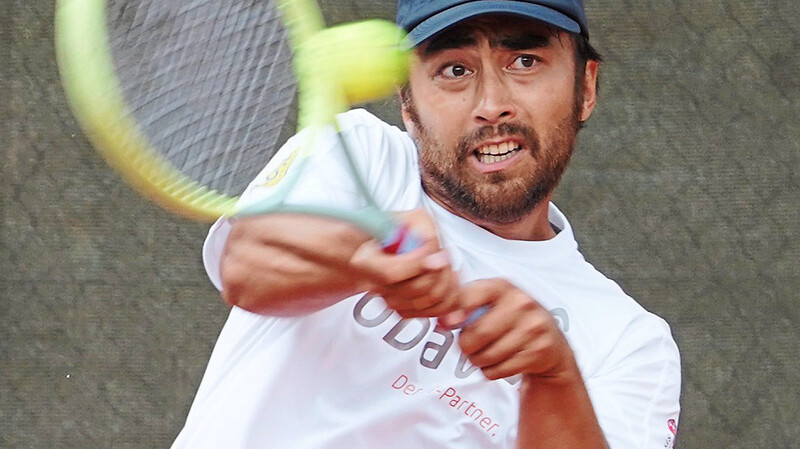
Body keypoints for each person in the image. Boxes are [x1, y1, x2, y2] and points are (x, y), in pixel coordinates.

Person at [172, 0, 681, 447]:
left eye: (525, 61)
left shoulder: (631, 342)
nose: (491, 105)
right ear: (407, 103)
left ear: (585, 87)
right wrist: (365, 261)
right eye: (454, 70)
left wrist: (553, 376)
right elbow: (246, 265)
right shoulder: (362, 155)